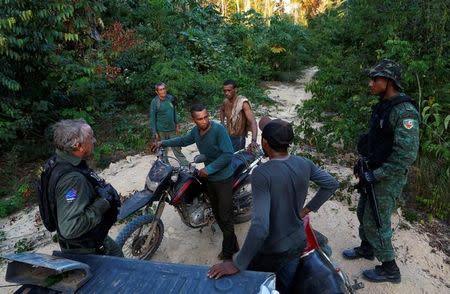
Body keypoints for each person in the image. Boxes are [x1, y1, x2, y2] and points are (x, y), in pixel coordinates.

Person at [208, 116, 339, 293]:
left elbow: (260, 227)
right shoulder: (304, 163)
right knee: (283, 286)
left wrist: (238, 262)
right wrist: (307, 209)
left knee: (256, 284)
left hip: (273, 248)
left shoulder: (262, 173)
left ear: (265, 142)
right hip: (297, 242)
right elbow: (331, 184)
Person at [343, 59, 420, 283]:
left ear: (389, 81)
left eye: (375, 79)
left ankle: (390, 268)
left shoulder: (405, 112)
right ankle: (367, 248)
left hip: (388, 177)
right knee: (362, 212)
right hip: (373, 170)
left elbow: (405, 156)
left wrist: (376, 174)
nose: (371, 83)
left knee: (376, 220)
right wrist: (364, 162)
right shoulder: (382, 106)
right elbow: (376, 139)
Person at [151, 103, 239, 260]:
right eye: (200, 119)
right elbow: (184, 140)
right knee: (217, 213)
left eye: (206, 117)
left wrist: (209, 169)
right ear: (193, 119)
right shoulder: (196, 131)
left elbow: (228, 155)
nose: (204, 121)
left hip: (223, 177)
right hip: (209, 177)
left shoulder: (219, 130)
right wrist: (163, 143)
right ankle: (234, 244)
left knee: (225, 216)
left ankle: (228, 254)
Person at [47, 119, 123, 256]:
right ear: (78, 145)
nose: (94, 140)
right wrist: (103, 203)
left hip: (90, 238)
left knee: (117, 252)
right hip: (87, 247)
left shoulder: (56, 162)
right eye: (90, 137)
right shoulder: (73, 180)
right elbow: (70, 228)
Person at [150, 82, 188, 166]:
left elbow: (174, 111)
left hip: (172, 129)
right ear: (157, 92)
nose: (163, 91)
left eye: (164, 89)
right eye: (160, 90)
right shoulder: (155, 102)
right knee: (163, 151)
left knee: (177, 147)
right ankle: (166, 166)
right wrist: (154, 132)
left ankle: (185, 164)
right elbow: (152, 118)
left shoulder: (170, 98)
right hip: (161, 130)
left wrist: (177, 124)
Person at [220, 79, 258, 152]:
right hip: (228, 135)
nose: (226, 93)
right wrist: (222, 122)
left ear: (235, 90)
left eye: (229, 90)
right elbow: (222, 110)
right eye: (224, 91)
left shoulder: (243, 103)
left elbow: (253, 122)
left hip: (239, 138)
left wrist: (254, 140)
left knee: (237, 159)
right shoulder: (225, 102)